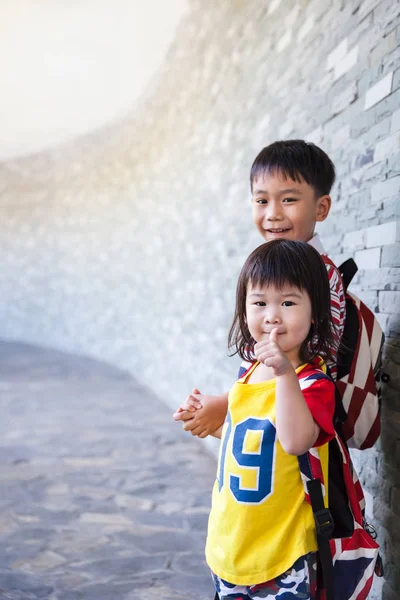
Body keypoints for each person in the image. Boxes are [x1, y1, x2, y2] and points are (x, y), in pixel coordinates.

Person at [173, 139, 345, 438]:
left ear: (321, 207)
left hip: (298, 433)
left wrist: (226, 405)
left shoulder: (321, 272)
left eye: (289, 200)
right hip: (267, 419)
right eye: (262, 201)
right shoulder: (267, 263)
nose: (273, 214)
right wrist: (222, 409)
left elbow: (312, 365)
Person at [206, 239, 336, 599]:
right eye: (260, 302)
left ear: (315, 313)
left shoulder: (313, 383)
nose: (272, 315)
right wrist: (207, 422)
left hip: (282, 553)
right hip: (230, 541)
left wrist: (285, 375)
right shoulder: (247, 375)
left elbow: (295, 442)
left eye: (288, 303)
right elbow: (252, 442)